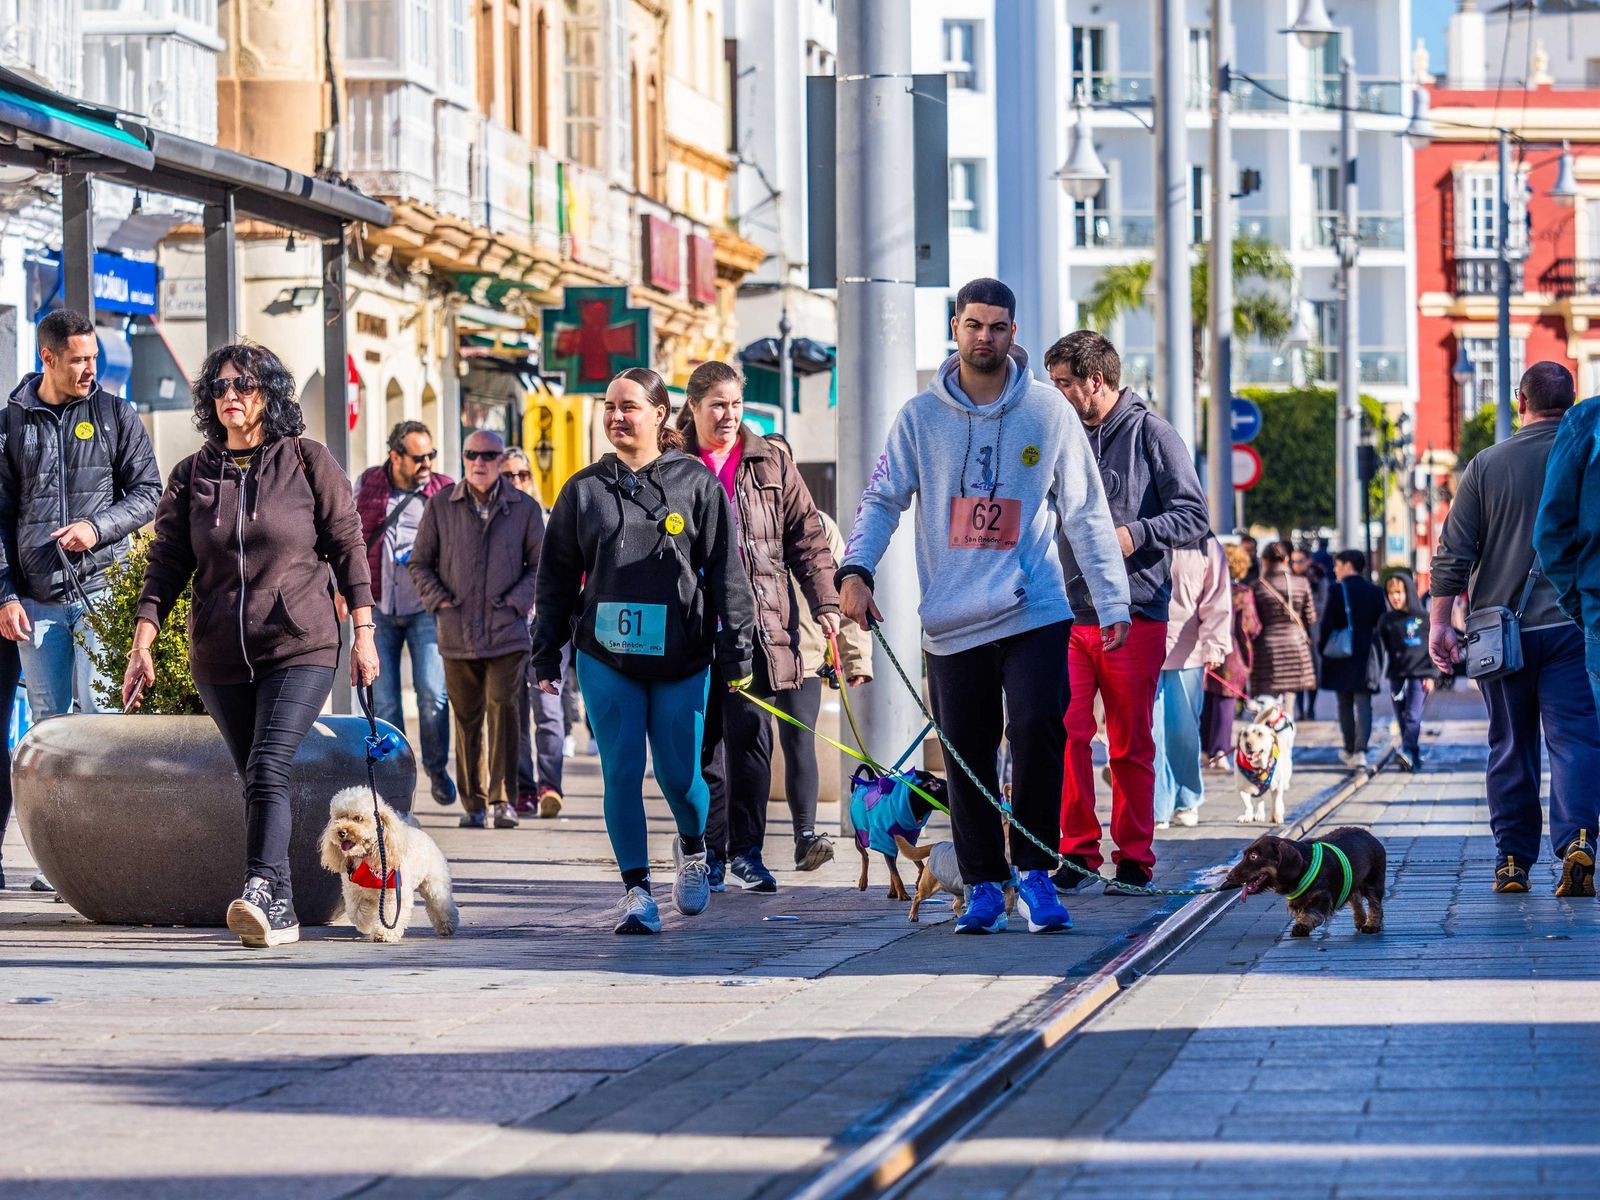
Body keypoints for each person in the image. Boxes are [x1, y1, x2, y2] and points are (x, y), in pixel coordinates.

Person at [838, 277, 1130, 935]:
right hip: (952, 618)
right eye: (974, 325)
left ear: (1013, 334)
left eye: (998, 327)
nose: (985, 337)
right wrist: (856, 568)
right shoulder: (919, 417)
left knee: (1036, 729)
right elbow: (883, 499)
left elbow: (1085, 511)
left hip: (1034, 609)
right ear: (955, 327)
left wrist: (1112, 602)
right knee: (965, 751)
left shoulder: (1049, 412)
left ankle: (1033, 869)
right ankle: (984, 884)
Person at [124, 342, 377, 948]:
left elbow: (348, 549)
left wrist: (364, 633)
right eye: (220, 388)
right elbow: (166, 565)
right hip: (219, 654)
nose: (230, 397)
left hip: (300, 643)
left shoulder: (307, 461)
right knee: (258, 777)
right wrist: (143, 641)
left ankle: (262, 887)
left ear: (270, 394)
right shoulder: (193, 474)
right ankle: (281, 905)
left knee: (267, 765)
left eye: (244, 385)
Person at [531, 368, 755, 934]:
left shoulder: (697, 484)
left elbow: (728, 572)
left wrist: (738, 654)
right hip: (606, 653)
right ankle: (637, 892)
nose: (616, 416)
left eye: (629, 407)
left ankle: (694, 847)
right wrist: (545, 654)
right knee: (622, 769)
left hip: (682, 655)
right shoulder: (582, 490)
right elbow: (554, 580)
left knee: (680, 776)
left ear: (660, 414)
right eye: (609, 406)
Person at [3, 309, 162, 893]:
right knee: (49, 732)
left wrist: (97, 528)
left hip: (99, 591)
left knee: (99, 724)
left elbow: (149, 493)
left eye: (94, 357)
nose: (91, 369)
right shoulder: (12, 424)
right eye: (79, 360)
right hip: (36, 601)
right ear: (48, 358)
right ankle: (57, 860)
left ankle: (103, 851)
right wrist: (4, 594)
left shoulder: (116, 413)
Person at [1046, 330, 1210, 894]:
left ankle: (1135, 857)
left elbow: (1194, 518)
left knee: (1129, 740)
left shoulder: (1152, 433)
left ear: (1096, 381)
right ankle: (1075, 852)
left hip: (1136, 612)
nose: (1057, 393)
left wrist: (1133, 534)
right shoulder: (1058, 432)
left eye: (1065, 383)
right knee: (1064, 733)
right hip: (1065, 612)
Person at [1433, 361, 1600, 896]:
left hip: (1499, 633)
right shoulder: (1587, 455)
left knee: (1510, 744)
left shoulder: (1486, 464)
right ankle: (1578, 839)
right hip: (1574, 625)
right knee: (1574, 739)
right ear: (1572, 404)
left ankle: (1512, 860)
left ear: (1519, 401)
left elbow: (1453, 553)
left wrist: (1439, 623)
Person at [677, 361, 841, 892]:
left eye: (735, 404)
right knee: (705, 749)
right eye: (716, 405)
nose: (728, 416)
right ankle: (709, 852)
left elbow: (807, 539)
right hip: (692, 627)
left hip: (757, 625)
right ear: (694, 406)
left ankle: (747, 852)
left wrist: (826, 603)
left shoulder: (769, 461)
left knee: (751, 740)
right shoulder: (673, 462)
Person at [408, 430, 543, 831]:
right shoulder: (441, 506)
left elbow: (540, 567)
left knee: (504, 712)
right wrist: (441, 601)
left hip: (507, 632)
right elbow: (419, 563)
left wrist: (516, 602)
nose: (479, 462)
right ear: (463, 458)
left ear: (501, 460)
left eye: (488, 455)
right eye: (472, 454)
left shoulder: (524, 508)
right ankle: (475, 804)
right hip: (457, 632)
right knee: (467, 720)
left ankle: (504, 800)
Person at [766, 432, 872, 871]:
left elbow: (843, 590)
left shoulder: (819, 525)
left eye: (782, 462)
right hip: (747, 652)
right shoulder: (735, 514)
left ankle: (805, 836)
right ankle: (737, 843)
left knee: (799, 742)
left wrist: (855, 658)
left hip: (802, 654)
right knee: (746, 750)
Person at [353, 420, 455, 807]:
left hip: (427, 608)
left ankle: (436, 766)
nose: (427, 462)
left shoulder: (443, 490)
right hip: (378, 608)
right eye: (418, 457)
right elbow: (350, 537)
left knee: (432, 693)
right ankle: (396, 781)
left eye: (431, 455)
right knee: (387, 702)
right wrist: (342, 589)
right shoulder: (367, 485)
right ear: (395, 456)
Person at [501, 447, 567, 819]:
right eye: (507, 476)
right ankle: (524, 788)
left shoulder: (551, 519)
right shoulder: (496, 524)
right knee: (516, 712)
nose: (515, 482)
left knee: (549, 709)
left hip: (552, 628)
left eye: (521, 475)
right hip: (511, 628)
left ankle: (550, 786)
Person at [1152, 536, 1232, 828]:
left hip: (1189, 652)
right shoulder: (1145, 528)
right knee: (1149, 732)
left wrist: (1214, 645)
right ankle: (1157, 805)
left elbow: (1218, 598)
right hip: (1142, 646)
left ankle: (1186, 798)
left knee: (1183, 733)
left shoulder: (1206, 544)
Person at [1318, 550, 1385, 768]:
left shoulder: (1337, 590)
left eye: (1337, 565)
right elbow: (1381, 624)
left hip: (1342, 655)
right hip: (1367, 654)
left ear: (1348, 565)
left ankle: (1348, 748)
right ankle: (1361, 750)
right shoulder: (1375, 591)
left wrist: (1322, 649)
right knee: (1364, 703)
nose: (1335, 569)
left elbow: (1327, 624)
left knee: (1344, 703)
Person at [1202, 542, 1260, 768]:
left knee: (1208, 699)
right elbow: (1251, 625)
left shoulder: (1208, 588)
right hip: (1234, 652)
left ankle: (1205, 747)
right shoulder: (1242, 593)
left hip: (1206, 646)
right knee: (1226, 701)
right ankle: (1220, 751)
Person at [1375, 570, 1435, 772]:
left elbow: (1432, 647)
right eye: (1391, 593)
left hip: (1420, 675)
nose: (1395, 597)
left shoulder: (1423, 617)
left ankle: (1407, 750)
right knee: (1401, 717)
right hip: (1397, 675)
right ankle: (1412, 754)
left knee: (1412, 715)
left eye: (1399, 592)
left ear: (1408, 591)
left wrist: (1431, 674)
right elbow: (1380, 648)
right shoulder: (1387, 620)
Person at [1249, 541, 1317, 710]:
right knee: (1288, 702)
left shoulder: (1257, 586)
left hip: (1267, 647)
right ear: (1286, 559)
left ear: (1264, 560)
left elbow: (1251, 622)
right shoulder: (1301, 583)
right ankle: (1287, 732)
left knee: (1267, 701)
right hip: (1295, 645)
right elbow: (1310, 618)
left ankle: (1270, 734)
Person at [1290, 544, 1328, 721]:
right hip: (1293, 632)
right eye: (1293, 561)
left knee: (1313, 671)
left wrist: (1304, 608)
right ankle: (1299, 708)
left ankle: (1311, 708)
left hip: (1313, 631)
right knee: (1296, 672)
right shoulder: (1288, 579)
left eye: (1300, 561)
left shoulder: (1318, 577)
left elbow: (1323, 604)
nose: (1296, 565)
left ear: (1308, 561)